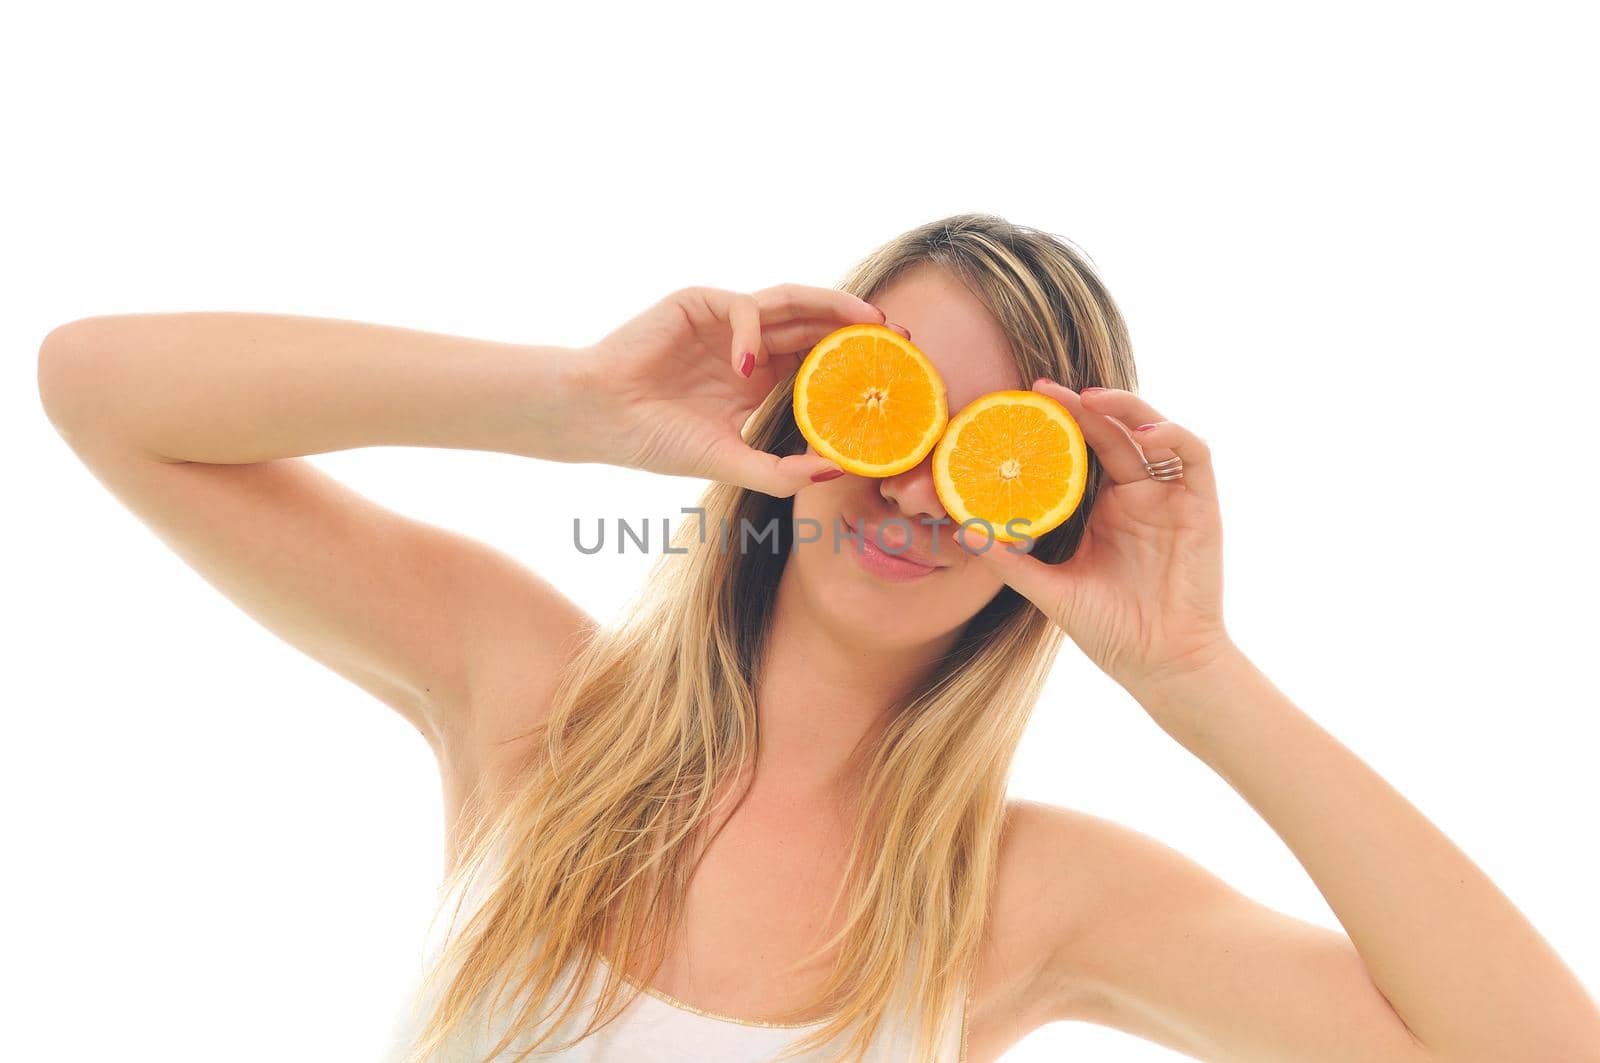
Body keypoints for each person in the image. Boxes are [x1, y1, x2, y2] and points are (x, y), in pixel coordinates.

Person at [36, 213, 1600, 1063]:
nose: (920, 485)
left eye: (995, 447)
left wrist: (1197, 673)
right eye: (890, 400)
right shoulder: (527, 703)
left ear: (1052, 513)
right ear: (794, 408)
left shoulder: (1034, 897)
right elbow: (98, 386)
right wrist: (573, 405)